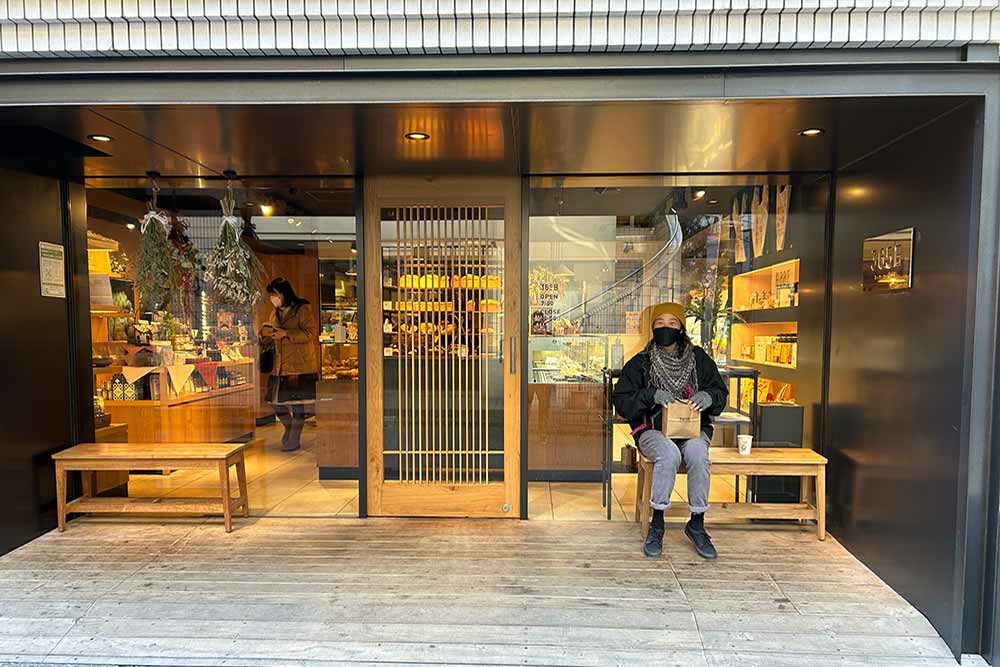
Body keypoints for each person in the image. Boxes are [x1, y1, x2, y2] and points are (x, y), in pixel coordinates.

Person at [612, 302, 728, 560]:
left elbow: (720, 393)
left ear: (682, 327)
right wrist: (650, 394)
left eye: (672, 323)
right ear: (652, 328)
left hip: (693, 428)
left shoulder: (699, 360)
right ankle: (658, 522)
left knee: (698, 454)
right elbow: (621, 401)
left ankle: (697, 523)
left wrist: (708, 397)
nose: (666, 327)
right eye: (660, 323)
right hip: (652, 430)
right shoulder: (640, 363)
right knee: (669, 454)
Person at [260, 278, 318, 452]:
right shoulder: (274, 312)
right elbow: (272, 331)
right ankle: (289, 425)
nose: (273, 298)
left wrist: (286, 333)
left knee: (298, 403)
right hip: (279, 364)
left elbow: (311, 333)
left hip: (299, 364)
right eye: (271, 295)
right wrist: (266, 334)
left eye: (275, 294)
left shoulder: (302, 309)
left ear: (284, 293)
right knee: (274, 400)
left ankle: (295, 438)